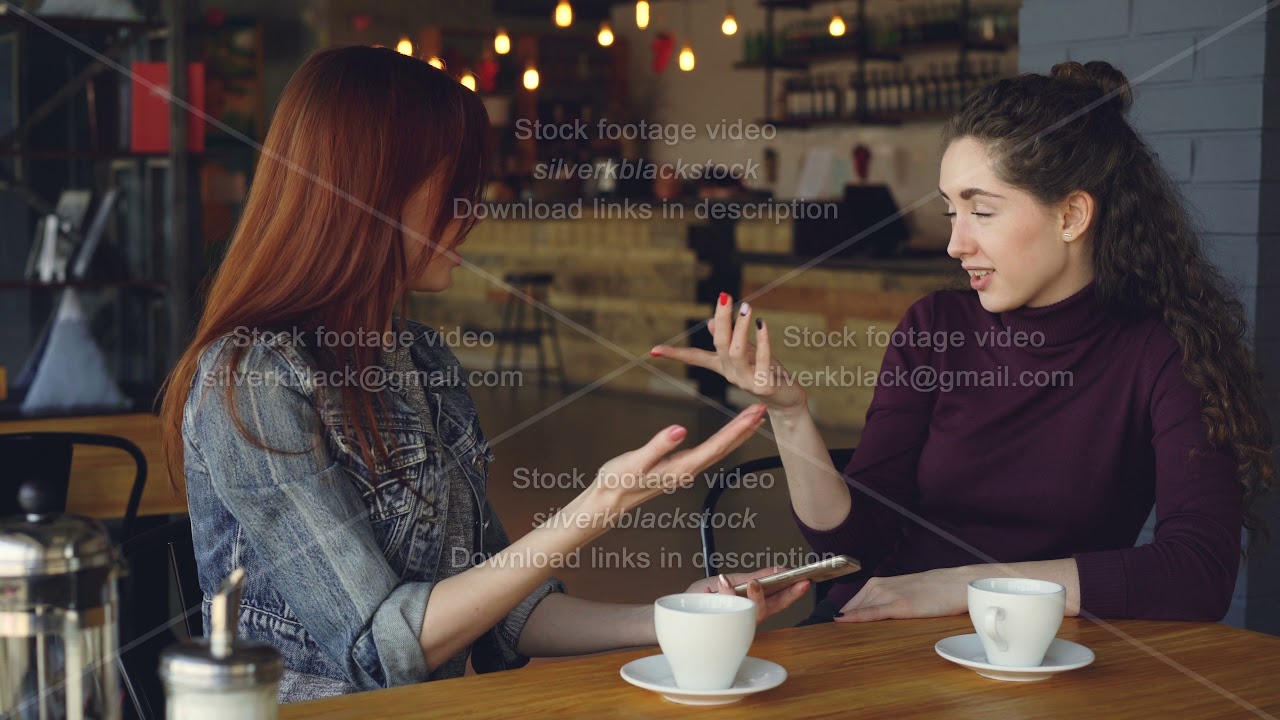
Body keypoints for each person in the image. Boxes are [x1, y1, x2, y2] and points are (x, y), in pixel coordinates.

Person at [158, 46, 808, 703]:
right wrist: (598, 506)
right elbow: (379, 651)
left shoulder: (421, 358)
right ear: (372, 191)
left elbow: (501, 612)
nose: (475, 209)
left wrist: (675, 620)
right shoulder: (253, 379)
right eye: (455, 185)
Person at [652, 60, 1274, 625]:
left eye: (982, 211)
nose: (956, 244)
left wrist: (962, 587)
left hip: (1035, 655)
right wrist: (791, 417)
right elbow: (854, 546)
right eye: (952, 211)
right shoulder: (935, 329)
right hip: (883, 636)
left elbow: (1199, 574)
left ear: (1071, 217)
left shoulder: (1166, 352)